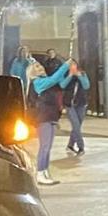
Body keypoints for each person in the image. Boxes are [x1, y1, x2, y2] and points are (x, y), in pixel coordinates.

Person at [30, 52, 70, 185]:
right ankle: (40, 172)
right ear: (32, 73)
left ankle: (45, 171)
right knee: (44, 146)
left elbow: (60, 81)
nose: (40, 67)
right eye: (36, 67)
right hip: (44, 118)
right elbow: (54, 79)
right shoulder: (38, 83)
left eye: (40, 66)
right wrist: (65, 66)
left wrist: (69, 72)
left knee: (48, 147)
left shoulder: (46, 82)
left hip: (51, 116)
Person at [65, 58, 89, 158]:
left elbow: (86, 86)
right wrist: (70, 76)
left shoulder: (82, 74)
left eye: (74, 64)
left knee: (77, 126)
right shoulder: (66, 75)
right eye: (70, 65)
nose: (73, 67)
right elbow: (62, 85)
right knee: (76, 125)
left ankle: (70, 145)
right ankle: (81, 147)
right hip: (69, 104)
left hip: (81, 103)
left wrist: (80, 76)